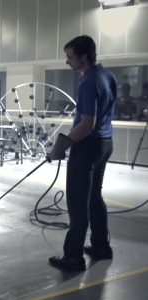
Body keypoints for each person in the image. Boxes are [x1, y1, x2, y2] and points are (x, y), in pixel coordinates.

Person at [48, 35, 117, 271]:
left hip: (88, 147)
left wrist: (61, 146)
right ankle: (100, 247)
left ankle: (73, 258)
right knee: (95, 198)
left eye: (70, 57)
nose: (67, 61)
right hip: (105, 144)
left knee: (78, 204)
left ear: (83, 56)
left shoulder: (88, 82)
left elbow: (87, 125)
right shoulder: (106, 75)